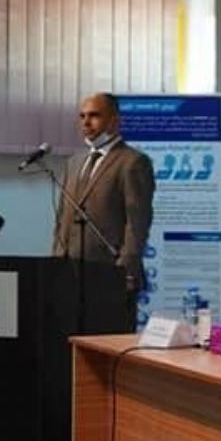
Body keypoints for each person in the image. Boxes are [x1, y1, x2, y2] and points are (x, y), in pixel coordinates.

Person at [54, 92, 155, 310]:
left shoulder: (133, 162)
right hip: (69, 276)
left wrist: (124, 270)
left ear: (114, 121)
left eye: (94, 115)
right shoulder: (74, 163)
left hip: (109, 275)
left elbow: (137, 224)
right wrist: (55, 263)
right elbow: (62, 218)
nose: (86, 122)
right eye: (82, 116)